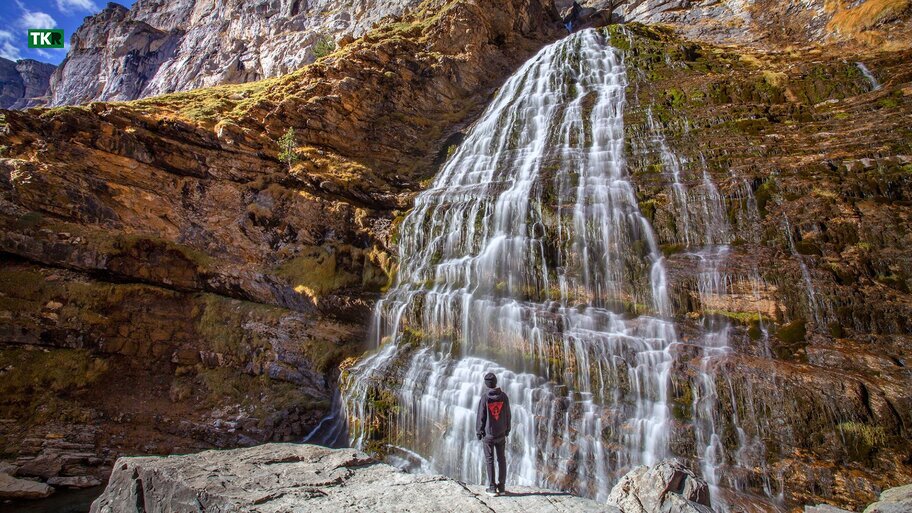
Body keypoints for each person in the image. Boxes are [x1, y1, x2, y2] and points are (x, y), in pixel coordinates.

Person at [475, 372, 511, 496]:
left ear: (487, 384)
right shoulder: (504, 397)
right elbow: (508, 414)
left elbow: (481, 416)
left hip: (488, 435)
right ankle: (501, 487)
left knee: (490, 460)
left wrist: (479, 431)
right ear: (495, 383)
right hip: (501, 434)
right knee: (502, 460)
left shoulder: (485, 398)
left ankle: (491, 487)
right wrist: (508, 429)